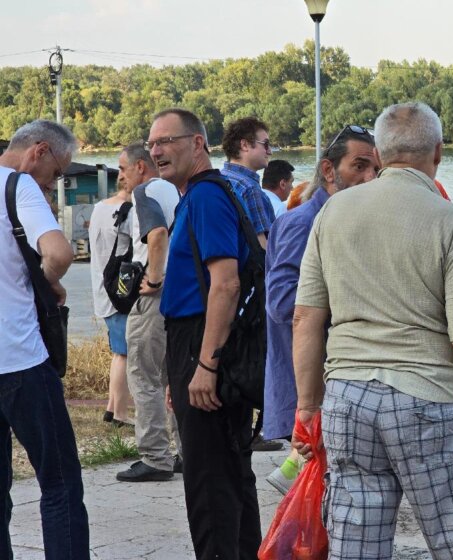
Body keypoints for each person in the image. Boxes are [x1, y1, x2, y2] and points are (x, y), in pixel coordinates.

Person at [293, 103, 453, 559]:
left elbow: (306, 317)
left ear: (381, 155)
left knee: (357, 544)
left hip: (348, 398)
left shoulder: (331, 214)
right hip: (429, 398)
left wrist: (308, 406)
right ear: (439, 153)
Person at [149, 108, 260, 558]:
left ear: (198, 144)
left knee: (211, 483)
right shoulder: (197, 195)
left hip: (204, 343)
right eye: (152, 143)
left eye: (166, 141)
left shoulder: (208, 196)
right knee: (228, 474)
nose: (156, 151)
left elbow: (226, 283)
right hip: (193, 344)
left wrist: (205, 365)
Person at [262, 126, 378, 495]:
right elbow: (281, 303)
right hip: (313, 389)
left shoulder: (356, 220)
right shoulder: (303, 223)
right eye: (359, 166)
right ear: (329, 171)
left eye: (377, 169)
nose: (370, 178)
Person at [0, 120, 89, 558]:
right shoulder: (17, 185)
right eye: (57, 174)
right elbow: (59, 252)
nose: (54, 184)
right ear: (38, 152)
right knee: (59, 483)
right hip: (20, 361)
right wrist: (45, 283)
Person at [114, 142, 183, 482]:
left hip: (156, 294)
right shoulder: (173, 189)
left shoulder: (145, 191)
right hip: (181, 294)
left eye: (123, 169)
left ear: (141, 166)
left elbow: (156, 235)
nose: (121, 177)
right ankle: (186, 451)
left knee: (144, 373)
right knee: (174, 374)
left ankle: (155, 456)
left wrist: (153, 278)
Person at [88, 164, 136, 428]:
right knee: (123, 354)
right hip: (120, 291)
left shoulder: (99, 208)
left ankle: (110, 407)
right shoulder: (127, 212)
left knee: (119, 350)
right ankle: (120, 413)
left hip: (102, 286)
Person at [220, 116, 273, 250]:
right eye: (265, 144)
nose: (270, 151)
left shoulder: (220, 178)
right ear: (244, 145)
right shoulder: (249, 188)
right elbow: (263, 248)